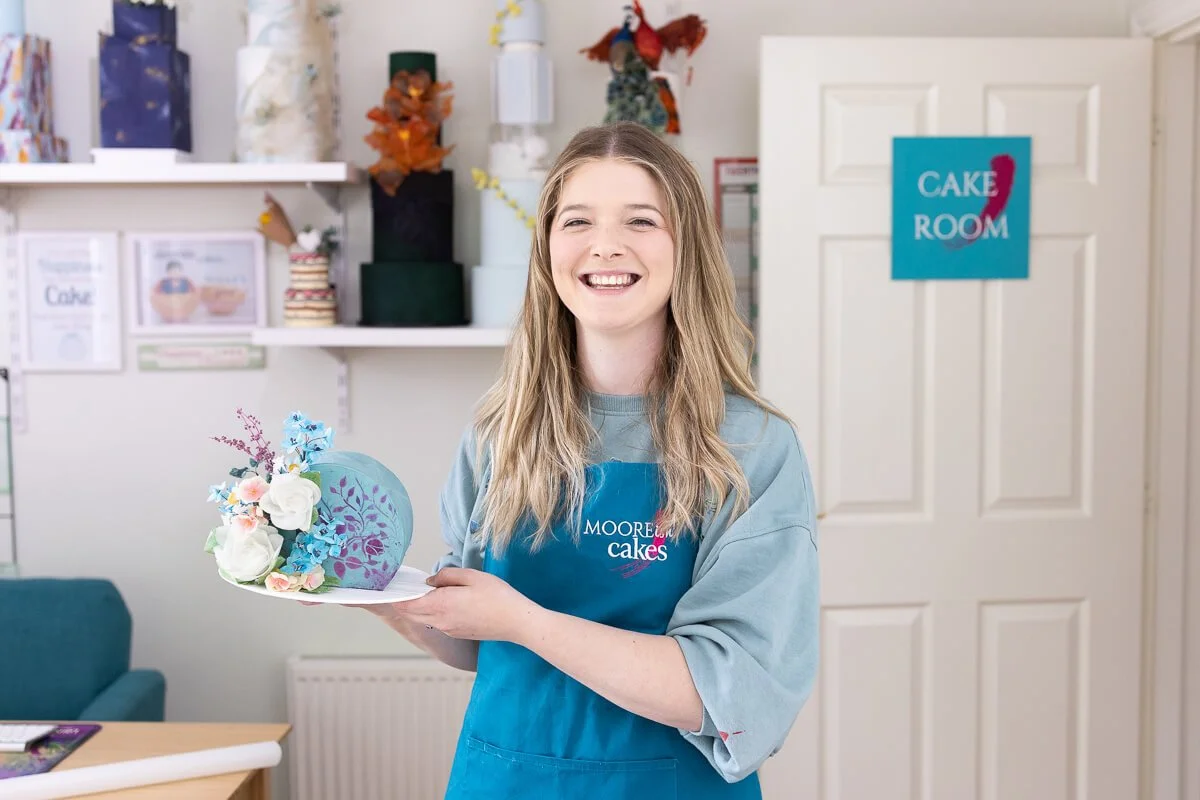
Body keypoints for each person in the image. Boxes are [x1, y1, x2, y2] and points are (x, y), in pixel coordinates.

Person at [360, 121, 819, 799]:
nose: (605, 245)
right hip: (503, 780)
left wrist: (524, 619)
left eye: (640, 220)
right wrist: (363, 585)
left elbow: (724, 690)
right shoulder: (498, 432)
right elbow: (476, 645)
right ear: (547, 249)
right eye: (577, 221)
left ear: (684, 247)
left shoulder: (750, 447)